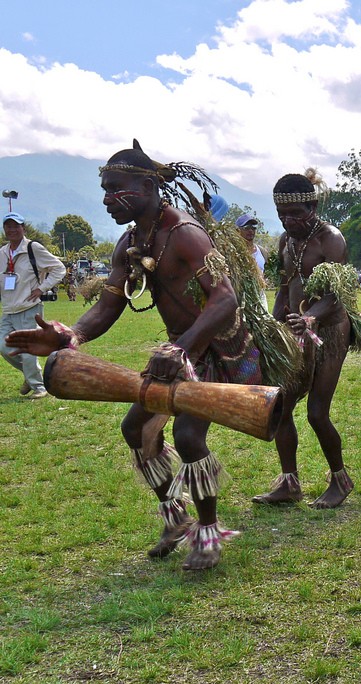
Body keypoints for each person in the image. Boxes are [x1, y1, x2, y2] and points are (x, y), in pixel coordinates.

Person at [6, 140, 259, 570]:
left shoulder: (186, 235)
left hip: (215, 346)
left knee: (187, 436)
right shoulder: (129, 242)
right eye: (104, 189)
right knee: (136, 430)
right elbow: (108, 305)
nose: (106, 199)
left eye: (115, 188)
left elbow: (225, 299)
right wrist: (71, 334)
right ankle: (174, 518)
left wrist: (181, 347)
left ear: (147, 186)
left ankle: (209, 534)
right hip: (177, 351)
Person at [252, 170, 361, 508]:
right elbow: (285, 286)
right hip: (295, 329)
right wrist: (273, 324)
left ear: (313, 206)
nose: (288, 221)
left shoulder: (330, 240)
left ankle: (340, 481)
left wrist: (311, 317)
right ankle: (289, 483)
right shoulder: (286, 241)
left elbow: (337, 295)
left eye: (296, 214)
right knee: (282, 408)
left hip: (329, 330)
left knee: (317, 412)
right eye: (282, 214)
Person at [1, 212, 67, 399]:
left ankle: (39, 388)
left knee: (28, 350)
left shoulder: (33, 248)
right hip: (8, 309)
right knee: (3, 347)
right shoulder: (2, 253)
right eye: (8, 226)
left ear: (24, 228)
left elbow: (59, 268)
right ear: (4, 229)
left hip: (29, 308)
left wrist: (42, 288)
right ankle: (32, 378)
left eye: (16, 226)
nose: (12, 229)